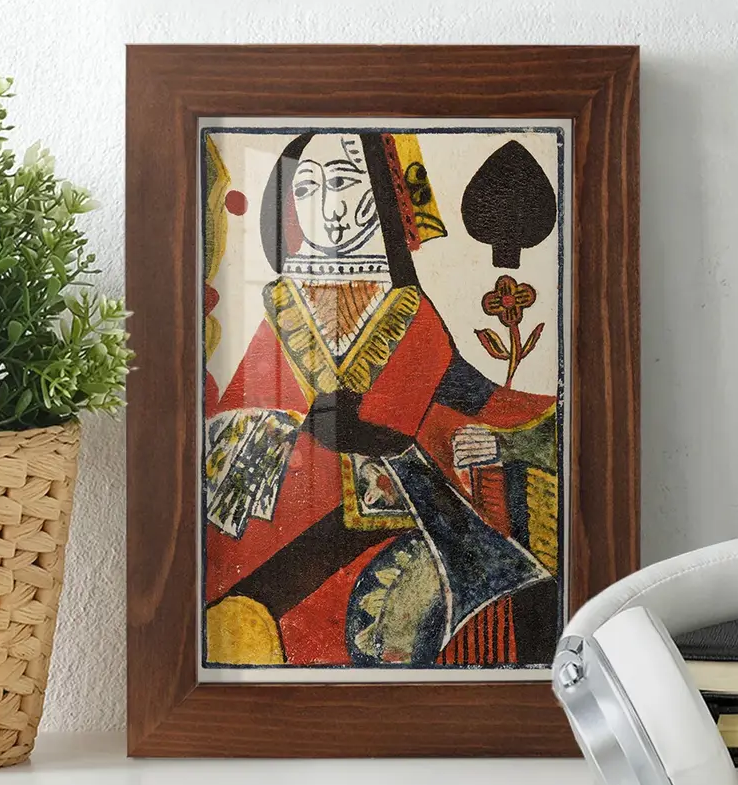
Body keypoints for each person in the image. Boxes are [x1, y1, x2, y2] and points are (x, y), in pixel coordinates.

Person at [203, 130, 559, 668]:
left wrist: (506, 445)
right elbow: (232, 426)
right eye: (307, 187)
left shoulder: (411, 312)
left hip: (406, 518)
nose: (328, 208)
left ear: (378, 199)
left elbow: (484, 404)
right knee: (241, 613)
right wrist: (286, 431)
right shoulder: (282, 310)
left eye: (344, 182)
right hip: (290, 519)